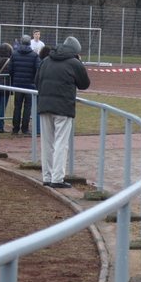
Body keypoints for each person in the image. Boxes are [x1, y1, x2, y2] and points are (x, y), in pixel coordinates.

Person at [36, 36, 91, 188]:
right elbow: (84, 84)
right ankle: (57, 178)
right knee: (61, 143)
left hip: (44, 105)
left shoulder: (46, 60)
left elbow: (37, 81)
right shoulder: (74, 63)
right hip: (63, 107)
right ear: (76, 52)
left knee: (47, 142)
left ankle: (47, 176)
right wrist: (79, 63)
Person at [8, 35, 41, 136]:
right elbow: (38, 69)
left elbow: (10, 69)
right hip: (30, 85)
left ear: (21, 43)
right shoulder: (34, 55)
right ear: (30, 43)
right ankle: (25, 129)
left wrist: (14, 79)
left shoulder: (14, 54)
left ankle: (15, 129)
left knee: (17, 106)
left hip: (18, 84)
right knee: (27, 107)